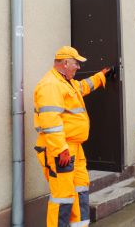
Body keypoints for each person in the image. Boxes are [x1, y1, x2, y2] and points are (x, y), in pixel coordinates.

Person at [33, 46, 112, 227]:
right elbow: (50, 122)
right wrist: (61, 150)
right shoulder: (50, 85)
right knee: (63, 197)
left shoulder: (67, 82)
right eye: (76, 63)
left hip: (73, 148)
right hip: (61, 150)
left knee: (80, 189)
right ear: (65, 63)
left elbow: (84, 86)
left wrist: (101, 76)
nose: (78, 67)